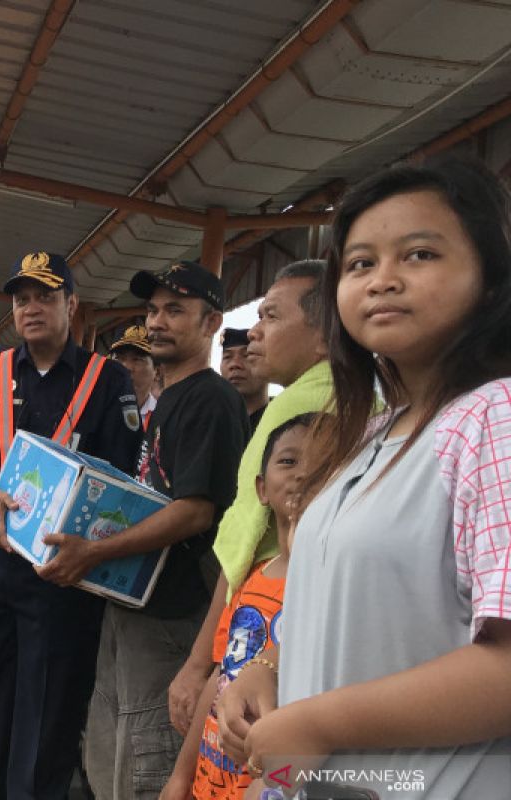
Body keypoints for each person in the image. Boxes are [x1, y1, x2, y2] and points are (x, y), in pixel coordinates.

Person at [220, 158, 511, 799]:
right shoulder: (373, 435)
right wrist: (268, 667)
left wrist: (320, 723)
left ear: (489, 279)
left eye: (420, 254)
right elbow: (339, 603)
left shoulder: (495, 419)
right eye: (359, 263)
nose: (384, 280)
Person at [0, 252, 143, 800]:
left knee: (48, 709)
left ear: (71, 305)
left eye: (45, 296)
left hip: (61, 575)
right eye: (21, 299)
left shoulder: (108, 380)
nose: (31, 308)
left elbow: (120, 478)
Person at [62, 260, 249, 800]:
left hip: (173, 610)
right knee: (112, 738)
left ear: (212, 322)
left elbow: (195, 510)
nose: (158, 322)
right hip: (134, 598)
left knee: (147, 750)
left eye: (175, 310)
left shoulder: (211, 400)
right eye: (152, 310)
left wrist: (95, 550)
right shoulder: (170, 397)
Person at [165, 260, 331, 741]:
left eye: (271, 318)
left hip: (264, 619)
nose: (254, 334)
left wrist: (198, 663)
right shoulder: (359, 399)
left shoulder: (295, 406)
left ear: (324, 335)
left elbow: (240, 540)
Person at [160, 415, 313, 800]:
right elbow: (219, 674)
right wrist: (181, 775)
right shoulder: (251, 578)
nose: (303, 475)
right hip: (208, 782)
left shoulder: (325, 591)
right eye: (288, 461)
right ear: (261, 488)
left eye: (323, 465)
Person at [219, 328, 268, 432]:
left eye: (246, 355)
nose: (234, 364)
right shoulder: (213, 423)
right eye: (227, 357)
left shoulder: (284, 421)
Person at [110, 323, 157, 428]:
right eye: (119, 358)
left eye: (137, 359)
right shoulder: (94, 413)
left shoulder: (165, 418)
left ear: (156, 371)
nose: (126, 368)